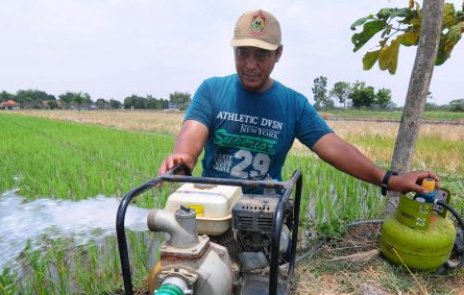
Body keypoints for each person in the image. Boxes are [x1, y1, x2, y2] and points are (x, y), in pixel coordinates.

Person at [159, 9, 438, 196]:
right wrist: (183, 157)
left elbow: (334, 148)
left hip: (263, 210)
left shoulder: (292, 104)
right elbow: (192, 134)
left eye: (261, 55)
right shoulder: (212, 90)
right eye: (242, 53)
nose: (250, 65)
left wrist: (388, 179)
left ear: (278, 54)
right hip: (213, 202)